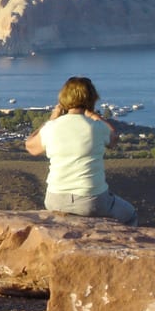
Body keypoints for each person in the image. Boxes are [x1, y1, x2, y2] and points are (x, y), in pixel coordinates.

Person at [25, 76, 137, 225]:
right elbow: (113, 139)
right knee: (130, 215)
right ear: (92, 98)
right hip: (91, 201)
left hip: (55, 200)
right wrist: (93, 115)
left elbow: (31, 147)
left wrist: (50, 120)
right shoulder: (95, 127)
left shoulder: (52, 128)